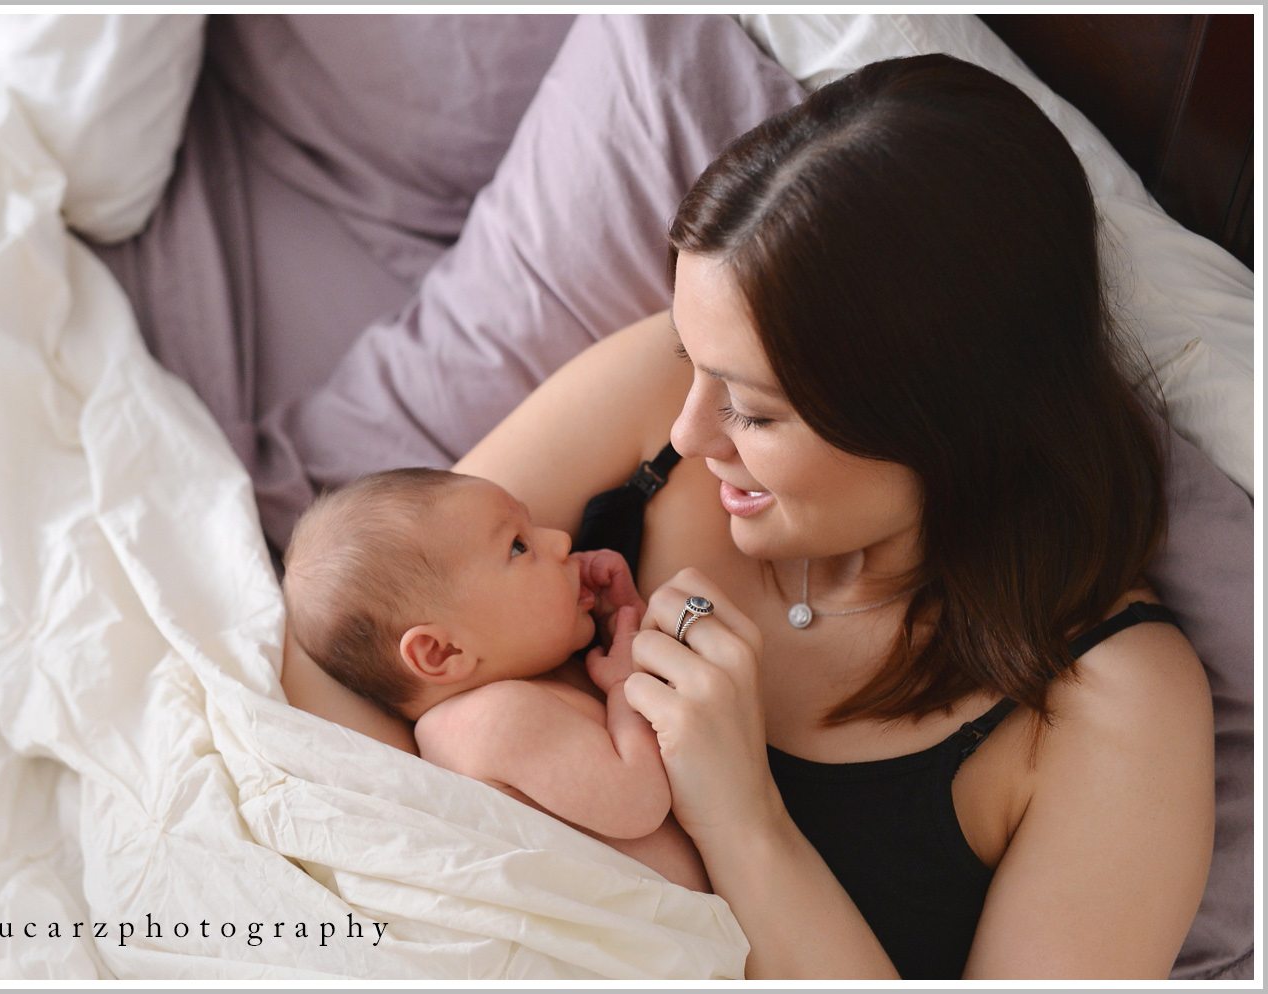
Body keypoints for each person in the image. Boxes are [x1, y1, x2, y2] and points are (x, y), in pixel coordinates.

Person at [281, 53, 1214, 979]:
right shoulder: (666, 389)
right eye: (692, 358)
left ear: (947, 419)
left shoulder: (1109, 708)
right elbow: (343, 639)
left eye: (757, 413)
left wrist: (743, 816)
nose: (688, 433)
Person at [281, 468, 711, 893]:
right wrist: (624, 685)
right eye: (519, 546)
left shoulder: (515, 686)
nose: (561, 540)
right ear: (442, 652)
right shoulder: (491, 720)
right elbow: (638, 802)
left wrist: (613, 625)